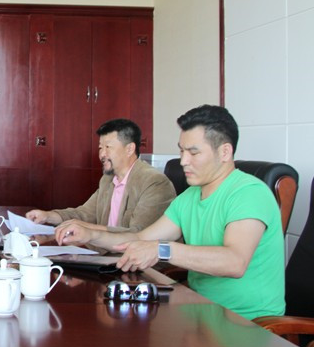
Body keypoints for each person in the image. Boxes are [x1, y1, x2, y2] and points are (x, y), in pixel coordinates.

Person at [56, 105, 285, 319]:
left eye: (193, 152)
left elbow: (234, 262)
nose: (183, 161)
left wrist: (162, 250)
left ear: (225, 152)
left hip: (247, 322)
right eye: (181, 151)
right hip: (199, 311)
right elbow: (140, 238)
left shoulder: (249, 193)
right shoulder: (190, 197)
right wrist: (91, 235)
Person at [26, 119, 175, 246]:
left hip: (135, 261)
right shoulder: (108, 180)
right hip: (105, 255)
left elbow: (139, 235)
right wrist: (47, 216)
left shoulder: (154, 183)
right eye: (100, 148)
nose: (102, 154)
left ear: (130, 149)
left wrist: (89, 230)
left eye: (108, 147)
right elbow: (84, 213)